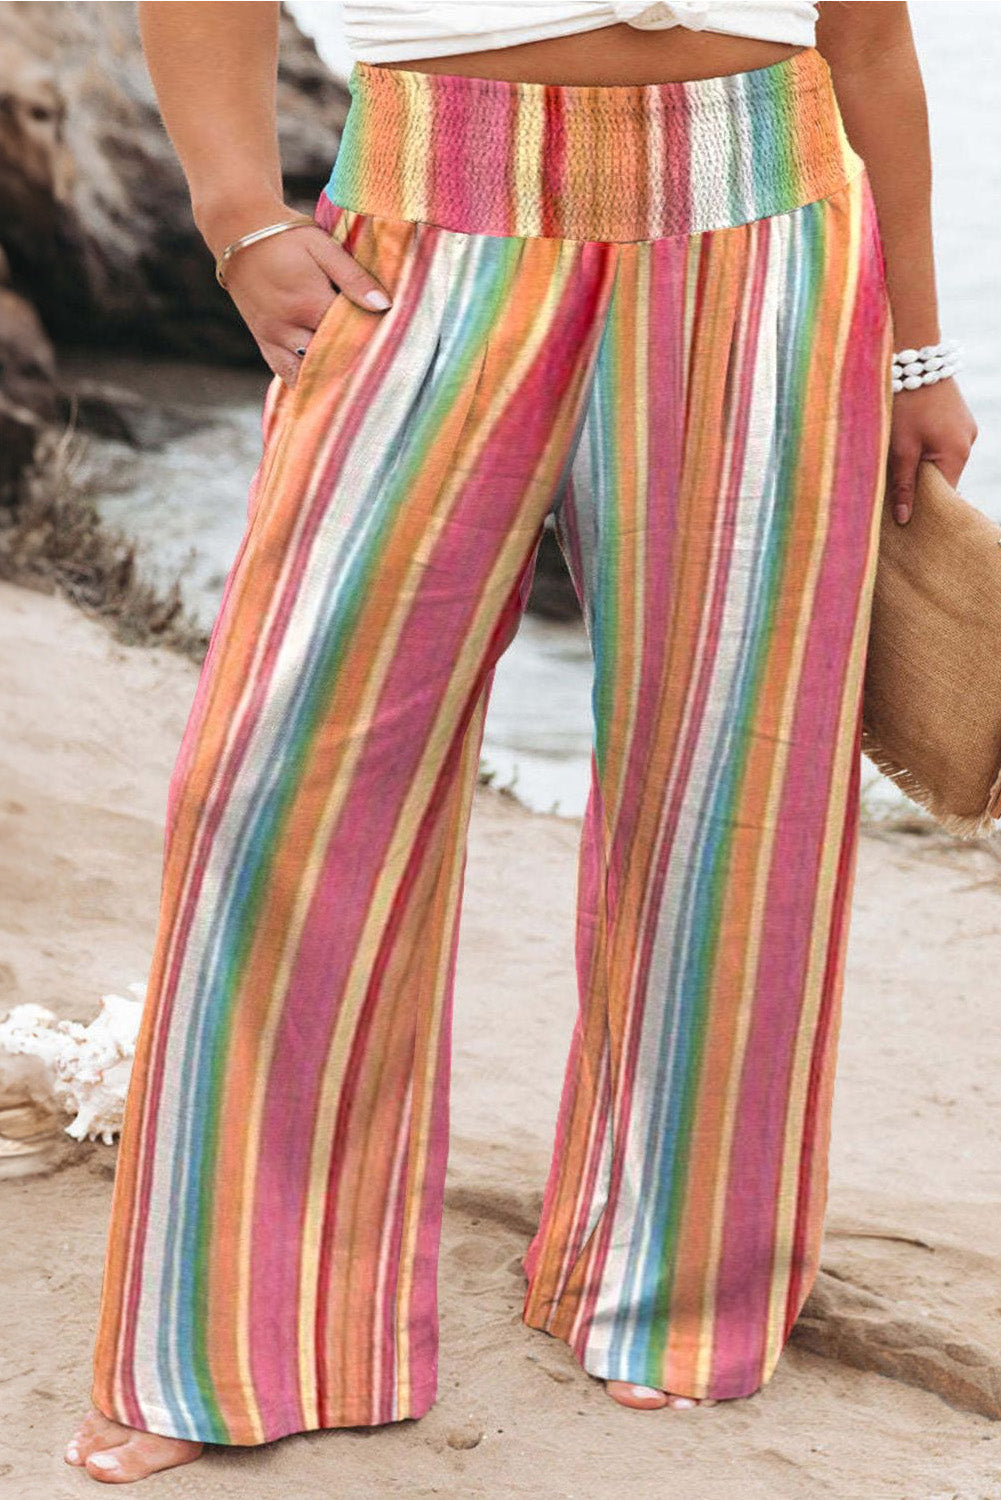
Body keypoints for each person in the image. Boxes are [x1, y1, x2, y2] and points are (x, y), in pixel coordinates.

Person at [64, 0, 976, 1483]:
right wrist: (239, 220)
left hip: (767, 221)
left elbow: (867, 40)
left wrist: (916, 354)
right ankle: (233, 1330)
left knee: (734, 779)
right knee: (279, 775)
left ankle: (669, 1285)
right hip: (425, 222)